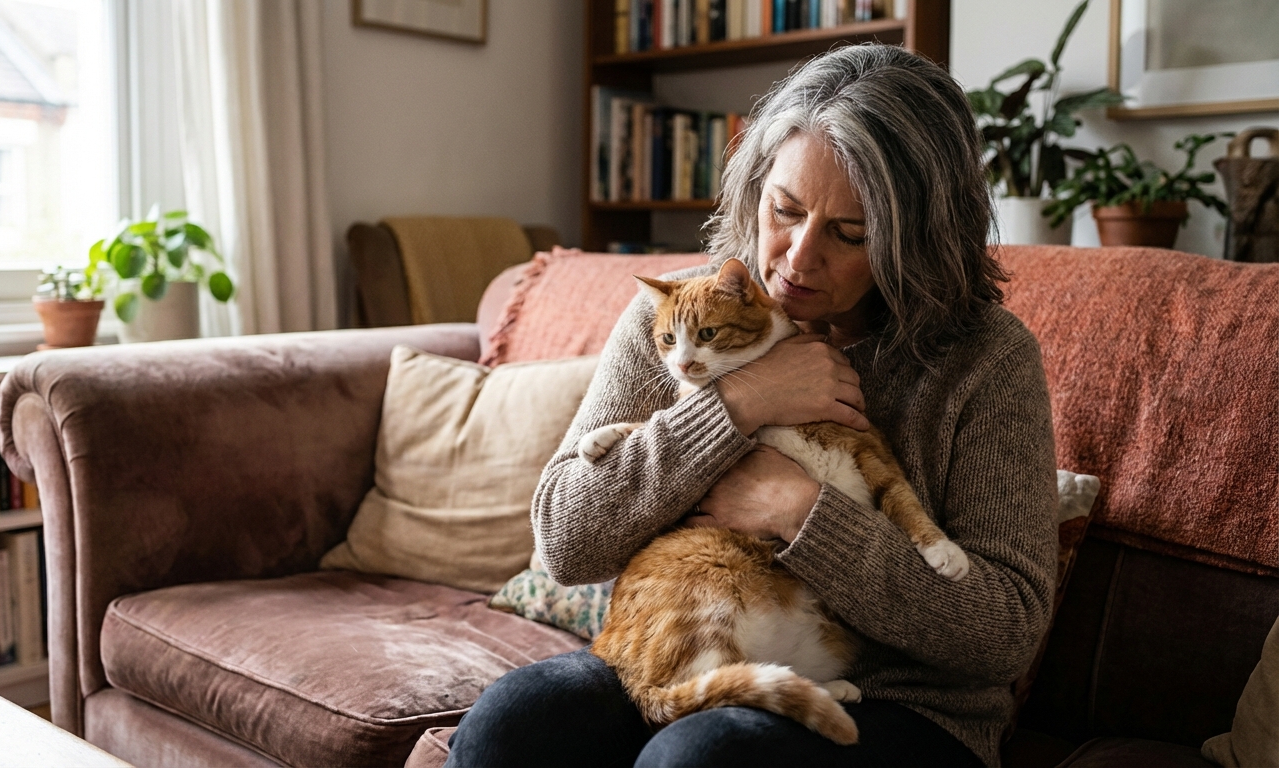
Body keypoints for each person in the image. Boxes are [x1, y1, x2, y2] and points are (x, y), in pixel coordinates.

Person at [445, 44, 1057, 768]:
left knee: (702, 756)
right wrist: (735, 402)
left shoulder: (986, 358)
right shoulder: (679, 316)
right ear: (755, 187)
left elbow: (1006, 629)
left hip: (904, 704)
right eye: (785, 209)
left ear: (916, 240)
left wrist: (800, 513)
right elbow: (565, 540)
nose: (797, 258)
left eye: (850, 233)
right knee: (513, 721)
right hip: (696, 646)